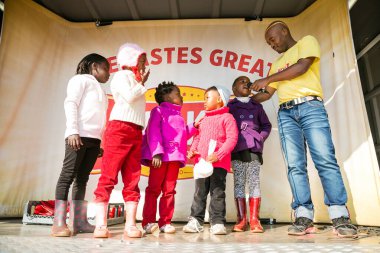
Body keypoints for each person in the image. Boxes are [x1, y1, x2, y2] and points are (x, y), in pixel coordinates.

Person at [251, 20, 357, 238]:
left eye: (272, 39)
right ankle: (303, 216)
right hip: (286, 113)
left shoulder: (306, 42)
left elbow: (302, 66)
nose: (271, 44)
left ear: (284, 31)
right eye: (268, 43)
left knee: (324, 159)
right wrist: (246, 97)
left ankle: (339, 216)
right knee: (294, 165)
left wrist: (267, 79)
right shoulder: (276, 63)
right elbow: (267, 93)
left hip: (311, 107)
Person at [93, 43, 150, 239]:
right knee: (108, 176)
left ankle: (131, 225)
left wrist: (140, 82)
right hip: (119, 129)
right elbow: (130, 97)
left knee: (133, 177)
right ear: (130, 60)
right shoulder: (120, 76)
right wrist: (141, 83)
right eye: (140, 60)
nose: (143, 64)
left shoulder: (135, 79)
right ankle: (100, 225)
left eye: (144, 60)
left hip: (136, 131)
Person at [52, 53, 110, 237]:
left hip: (93, 140)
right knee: (67, 176)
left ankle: (78, 222)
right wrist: (72, 131)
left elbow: (98, 116)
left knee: (82, 179)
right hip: (77, 136)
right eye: (105, 68)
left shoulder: (100, 90)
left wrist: (98, 140)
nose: (108, 73)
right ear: (94, 66)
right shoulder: (80, 80)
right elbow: (71, 103)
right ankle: (58, 223)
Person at [141, 81, 199, 234]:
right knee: (153, 189)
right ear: (166, 96)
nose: (181, 96)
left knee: (169, 190)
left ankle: (165, 222)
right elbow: (153, 132)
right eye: (177, 93)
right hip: (159, 158)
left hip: (174, 158)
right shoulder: (158, 111)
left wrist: (195, 126)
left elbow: (183, 135)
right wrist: (157, 152)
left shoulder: (179, 116)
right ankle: (148, 222)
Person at [183, 86, 238, 235]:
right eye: (204, 98)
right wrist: (193, 150)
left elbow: (232, 139)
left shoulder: (227, 118)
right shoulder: (204, 118)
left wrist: (219, 155)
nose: (204, 101)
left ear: (220, 99)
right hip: (201, 163)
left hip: (218, 164)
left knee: (217, 192)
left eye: (207, 97)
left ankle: (218, 222)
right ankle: (195, 220)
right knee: (199, 193)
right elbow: (198, 137)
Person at [228, 76, 272, 233]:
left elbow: (267, 125)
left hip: (253, 148)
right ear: (234, 89)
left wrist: (260, 137)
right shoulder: (230, 106)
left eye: (248, 81)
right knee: (239, 183)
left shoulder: (256, 106)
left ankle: (254, 220)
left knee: (254, 182)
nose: (246, 83)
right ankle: (241, 219)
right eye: (241, 81)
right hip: (237, 149)